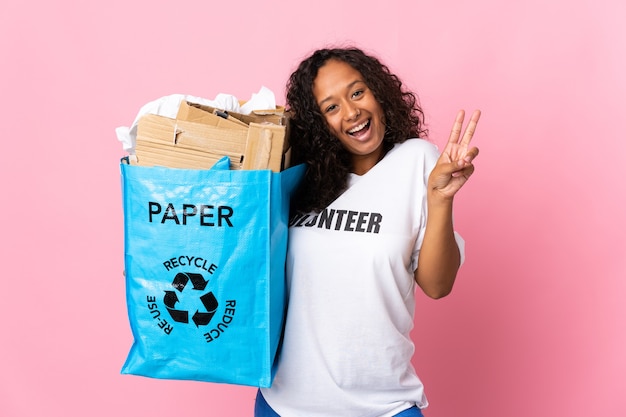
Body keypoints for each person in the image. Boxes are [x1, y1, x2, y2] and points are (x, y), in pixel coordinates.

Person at [255, 47, 481, 417]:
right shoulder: (296, 176)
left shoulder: (417, 160)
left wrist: (439, 199)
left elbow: (438, 286)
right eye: (331, 107)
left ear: (379, 93)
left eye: (357, 93)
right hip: (285, 404)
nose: (352, 111)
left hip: (384, 405)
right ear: (317, 123)